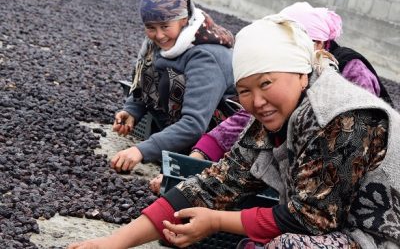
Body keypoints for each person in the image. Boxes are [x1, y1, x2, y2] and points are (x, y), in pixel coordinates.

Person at [68, 15, 400, 249]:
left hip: (384, 234)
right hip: (342, 225)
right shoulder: (273, 122)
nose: (256, 101)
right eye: (244, 90)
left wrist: (215, 222)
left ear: (301, 73)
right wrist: (113, 242)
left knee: (289, 245)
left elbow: (310, 220)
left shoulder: (341, 118)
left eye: (267, 83)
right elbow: (213, 184)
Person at [149, 1, 394, 193]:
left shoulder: (351, 75)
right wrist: (196, 161)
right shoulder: (281, 82)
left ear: (319, 43)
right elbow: (244, 121)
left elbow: (347, 153)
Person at [110, 0, 236, 172]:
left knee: (171, 78)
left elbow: (194, 124)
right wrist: (132, 110)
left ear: (183, 20)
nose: (159, 35)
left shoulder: (205, 56)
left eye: (165, 26)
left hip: (218, 138)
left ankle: (186, 158)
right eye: (151, 27)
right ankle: (167, 145)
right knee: (156, 67)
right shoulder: (156, 44)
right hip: (182, 126)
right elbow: (146, 80)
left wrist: (141, 151)